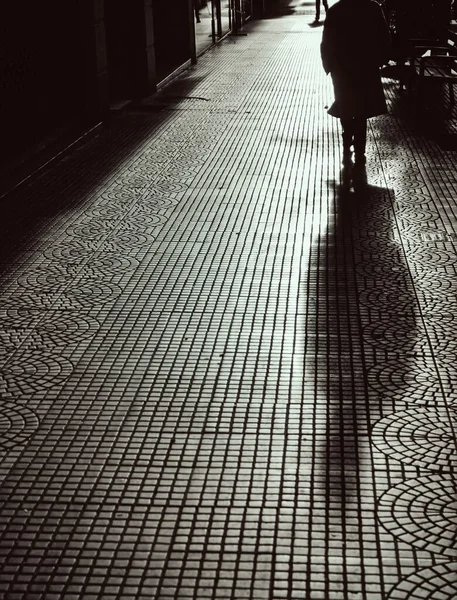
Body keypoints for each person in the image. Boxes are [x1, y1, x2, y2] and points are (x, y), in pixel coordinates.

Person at [321, 0, 390, 165]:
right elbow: (383, 35)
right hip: (366, 66)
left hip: (341, 67)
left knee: (344, 103)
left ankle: (347, 139)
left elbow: (327, 40)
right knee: (362, 106)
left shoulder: (336, 10)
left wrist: (328, 65)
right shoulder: (372, 8)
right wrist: (381, 59)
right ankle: (360, 148)